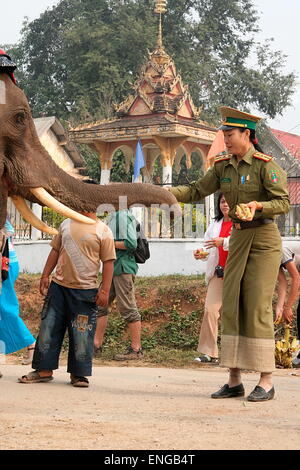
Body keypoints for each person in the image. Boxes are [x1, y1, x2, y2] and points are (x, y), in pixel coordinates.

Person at [168, 106, 290, 402]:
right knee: (232, 304)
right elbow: (197, 190)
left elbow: (283, 201)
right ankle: (234, 380)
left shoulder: (265, 165)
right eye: (223, 134)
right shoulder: (223, 166)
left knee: (258, 305)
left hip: (263, 238)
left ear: (246, 134)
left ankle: (267, 380)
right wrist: (163, 194)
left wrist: (257, 206)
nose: (225, 140)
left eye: (230, 134)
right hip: (237, 238)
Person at [19, 190, 116, 387]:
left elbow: (108, 262)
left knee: (82, 334)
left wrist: (104, 290)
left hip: (85, 292)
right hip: (59, 288)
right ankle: (43, 370)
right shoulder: (66, 224)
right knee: (48, 329)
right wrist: (45, 275)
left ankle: (79, 374)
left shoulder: (103, 230)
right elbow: (55, 251)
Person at [94, 209, 143, 360]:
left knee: (127, 307)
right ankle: (95, 345)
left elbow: (131, 243)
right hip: (114, 268)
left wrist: (108, 243)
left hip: (123, 268)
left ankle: (136, 349)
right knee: (100, 304)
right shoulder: (114, 216)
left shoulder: (122, 216)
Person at [194, 193, 232, 364]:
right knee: (210, 310)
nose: (225, 205)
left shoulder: (242, 224)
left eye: (229, 202)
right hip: (218, 273)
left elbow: (240, 243)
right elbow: (207, 246)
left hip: (237, 274)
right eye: (223, 201)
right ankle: (210, 353)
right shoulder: (215, 224)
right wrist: (201, 254)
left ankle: (239, 355)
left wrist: (223, 242)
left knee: (237, 314)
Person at [0, 219, 36, 374]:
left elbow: (5, 234)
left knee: (6, 309)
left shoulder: (3, 219)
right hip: (7, 265)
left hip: (4, 268)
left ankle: (32, 345)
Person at [275, 245, 300, 368]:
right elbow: (283, 281)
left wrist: (288, 307)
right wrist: (280, 307)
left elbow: (296, 278)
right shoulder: (270, 257)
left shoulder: (280, 250)